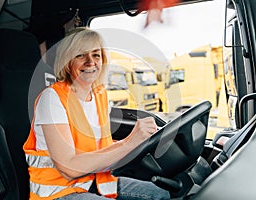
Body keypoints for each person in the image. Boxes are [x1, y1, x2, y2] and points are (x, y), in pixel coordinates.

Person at [23, 27, 170, 200]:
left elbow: (101, 148)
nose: (90, 62)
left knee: (161, 194)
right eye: (81, 55)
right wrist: (129, 143)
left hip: (96, 181)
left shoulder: (100, 95)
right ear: (67, 61)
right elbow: (68, 167)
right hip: (59, 192)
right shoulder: (52, 98)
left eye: (96, 55)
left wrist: (136, 141)